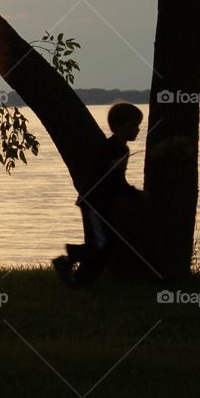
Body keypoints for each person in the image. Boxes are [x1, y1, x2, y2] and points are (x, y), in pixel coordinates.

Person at [52, 102, 143, 286]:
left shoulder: (117, 147)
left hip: (102, 203)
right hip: (94, 203)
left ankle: (82, 280)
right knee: (101, 244)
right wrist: (136, 194)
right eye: (133, 125)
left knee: (105, 245)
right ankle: (68, 259)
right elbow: (116, 180)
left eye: (137, 125)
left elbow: (115, 179)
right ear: (118, 126)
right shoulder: (116, 149)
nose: (137, 129)